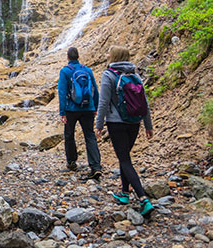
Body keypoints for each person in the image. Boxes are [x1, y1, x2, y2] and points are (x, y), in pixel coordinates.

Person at [95, 45, 155, 217]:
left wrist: (99, 124)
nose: (106, 54)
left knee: (124, 159)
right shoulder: (134, 74)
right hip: (134, 122)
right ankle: (124, 194)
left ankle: (143, 198)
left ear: (114, 56)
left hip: (116, 123)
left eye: (109, 52)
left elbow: (104, 102)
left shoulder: (109, 74)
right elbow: (145, 102)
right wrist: (148, 125)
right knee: (125, 157)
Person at [58, 46, 101, 179]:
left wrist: (62, 111)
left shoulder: (65, 71)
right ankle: (95, 166)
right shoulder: (87, 70)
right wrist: (95, 106)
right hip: (88, 107)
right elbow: (94, 88)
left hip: (71, 109)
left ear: (67, 57)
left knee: (69, 135)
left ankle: (72, 163)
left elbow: (62, 92)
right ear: (78, 56)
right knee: (90, 135)